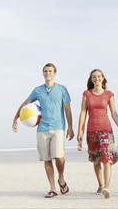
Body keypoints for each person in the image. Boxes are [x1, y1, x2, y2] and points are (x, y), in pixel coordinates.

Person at [12, 62, 74, 198]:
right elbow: (25, 103)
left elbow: (67, 109)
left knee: (59, 157)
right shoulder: (38, 90)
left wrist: (70, 127)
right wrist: (15, 118)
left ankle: (61, 178)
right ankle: (52, 188)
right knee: (47, 159)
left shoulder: (62, 89)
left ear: (55, 73)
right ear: (43, 73)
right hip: (42, 129)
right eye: (45, 71)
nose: (48, 73)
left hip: (58, 127)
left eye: (50, 71)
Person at [77, 69, 118, 199]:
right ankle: (101, 184)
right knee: (96, 160)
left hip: (106, 130)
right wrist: (80, 131)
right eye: (94, 77)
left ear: (103, 78)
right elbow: (83, 113)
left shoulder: (109, 94)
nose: (96, 78)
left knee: (106, 158)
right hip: (91, 130)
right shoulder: (87, 94)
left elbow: (113, 112)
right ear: (91, 79)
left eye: (98, 76)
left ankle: (107, 187)